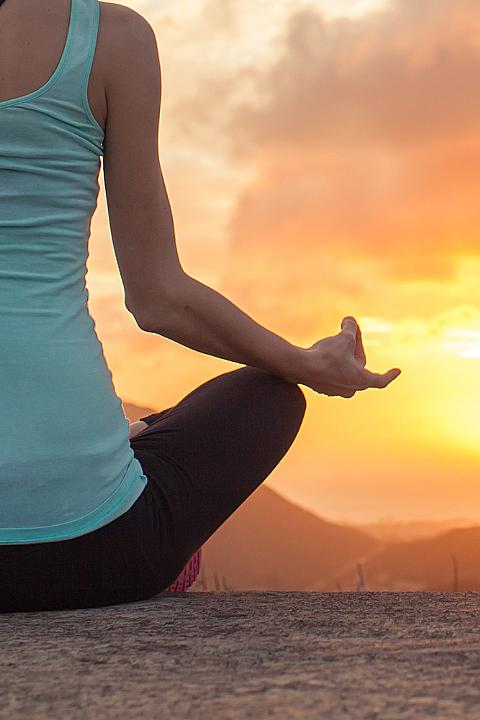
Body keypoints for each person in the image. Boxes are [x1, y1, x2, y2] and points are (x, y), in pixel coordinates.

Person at [0, 0, 400, 612]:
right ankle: (123, 453)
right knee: (265, 396)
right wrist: (309, 364)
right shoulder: (114, 40)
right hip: (101, 553)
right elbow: (159, 298)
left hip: (92, 546)